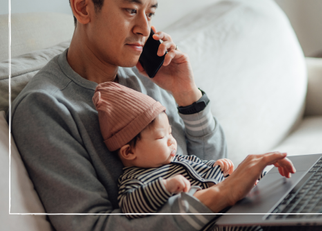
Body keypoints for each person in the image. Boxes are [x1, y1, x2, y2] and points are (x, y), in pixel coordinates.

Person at [9, 0, 322, 230]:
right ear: (82, 6)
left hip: (222, 214)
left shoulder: (139, 78)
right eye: (131, 10)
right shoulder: (45, 108)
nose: (144, 27)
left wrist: (187, 94)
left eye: (151, 12)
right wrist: (221, 197)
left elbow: (208, 162)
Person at [92, 82, 292, 219]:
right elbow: (130, 207)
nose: (172, 141)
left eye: (171, 133)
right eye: (162, 137)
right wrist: (166, 188)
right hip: (216, 221)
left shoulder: (178, 159)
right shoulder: (135, 179)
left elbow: (203, 170)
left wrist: (218, 167)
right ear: (128, 152)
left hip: (232, 201)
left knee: (272, 183)